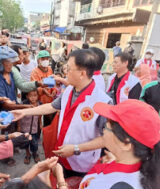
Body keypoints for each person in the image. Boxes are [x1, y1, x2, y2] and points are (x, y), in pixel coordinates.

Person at [12, 49, 112, 177]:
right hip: (62, 154)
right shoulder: (70, 89)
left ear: (82, 73)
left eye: (69, 69)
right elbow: (51, 106)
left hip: (82, 163)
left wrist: (76, 149)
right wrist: (24, 112)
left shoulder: (102, 102)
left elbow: (108, 139)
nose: (65, 72)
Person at [78, 99, 160, 189]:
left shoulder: (119, 186)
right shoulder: (151, 172)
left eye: (106, 127)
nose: (103, 131)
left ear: (125, 143)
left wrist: (62, 183)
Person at [18, 90, 41, 164]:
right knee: (25, 142)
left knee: (34, 143)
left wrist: (40, 123)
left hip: (34, 128)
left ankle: (34, 153)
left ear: (38, 96)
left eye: (35, 95)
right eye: (31, 96)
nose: (33, 98)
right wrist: (18, 126)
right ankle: (28, 153)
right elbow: (18, 115)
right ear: (27, 96)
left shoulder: (39, 104)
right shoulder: (23, 104)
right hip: (25, 128)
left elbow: (40, 115)